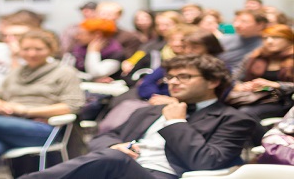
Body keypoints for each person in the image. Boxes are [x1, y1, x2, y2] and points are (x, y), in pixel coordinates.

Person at [22, 54, 257, 179]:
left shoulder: (233, 119)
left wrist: (176, 122)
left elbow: (207, 162)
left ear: (213, 81)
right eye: (170, 77)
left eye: (184, 77)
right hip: (120, 168)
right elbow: (103, 138)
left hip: (166, 175)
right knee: (112, 156)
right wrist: (115, 145)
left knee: (113, 160)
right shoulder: (149, 110)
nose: (173, 82)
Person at [0, 31, 85, 179]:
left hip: (44, 129)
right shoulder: (16, 72)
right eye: (26, 49)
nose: (32, 54)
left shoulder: (64, 72)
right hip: (9, 126)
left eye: (38, 49)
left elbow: (72, 106)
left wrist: (27, 111)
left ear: (51, 50)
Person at [228, 24, 294, 121]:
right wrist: (241, 86)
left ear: (289, 40)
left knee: (245, 112)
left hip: (282, 101)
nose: (269, 41)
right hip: (252, 96)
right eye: (265, 38)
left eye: (276, 37)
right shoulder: (255, 56)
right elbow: (234, 77)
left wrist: (275, 84)